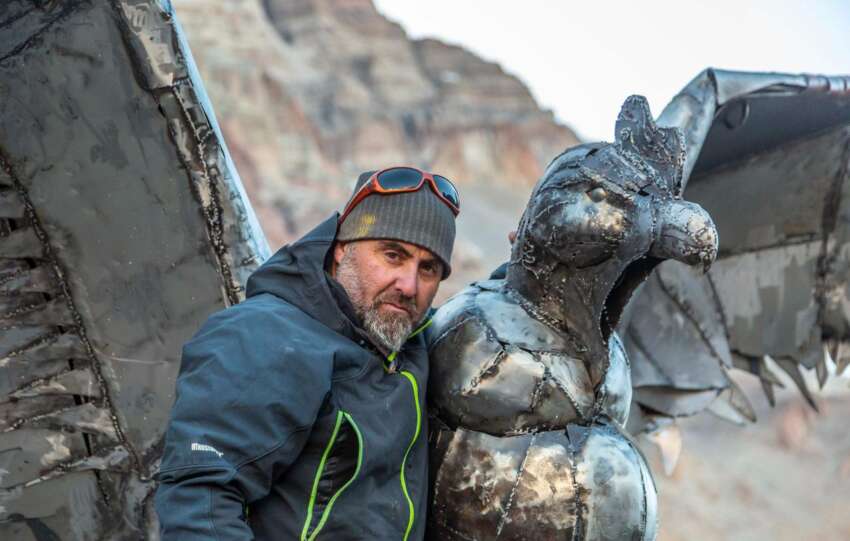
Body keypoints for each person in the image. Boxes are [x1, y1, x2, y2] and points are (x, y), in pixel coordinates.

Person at [154, 167, 459, 540]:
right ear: (343, 247)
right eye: (393, 255)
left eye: (428, 269)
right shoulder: (263, 336)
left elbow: (501, 320)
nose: (408, 285)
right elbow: (200, 503)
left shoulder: (412, 344)